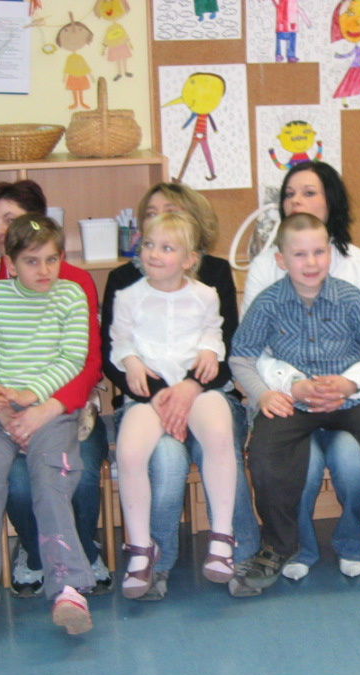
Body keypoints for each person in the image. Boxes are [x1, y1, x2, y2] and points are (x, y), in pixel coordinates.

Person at [231, 213, 360, 590]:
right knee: (264, 455)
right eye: (299, 254)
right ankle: (278, 546)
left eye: (318, 252)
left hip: (351, 398)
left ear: (329, 254)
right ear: (281, 259)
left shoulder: (350, 297)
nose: (310, 262)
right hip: (293, 400)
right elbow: (241, 357)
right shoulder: (268, 303)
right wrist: (264, 393)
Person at [0, 180, 111, 597]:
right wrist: (3, 411)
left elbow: (87, 363)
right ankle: (36, 553)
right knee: (17, 483)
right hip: (2, 414)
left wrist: (46, 409)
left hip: (67, 412)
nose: (0, 231)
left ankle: (80, 552)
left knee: (79, 472)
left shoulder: (72, 283)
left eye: (10, 219)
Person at [102, 182, 259, 600]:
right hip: (147, 398)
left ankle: (235, 548)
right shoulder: (124, 285)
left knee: (218, 439)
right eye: (150, 217)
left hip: (206, 392)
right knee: (161, 458)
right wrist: (159, 395)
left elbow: (222, 342)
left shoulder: (212, 280)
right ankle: (152, 560)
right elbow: (114, 350)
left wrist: (190, 386)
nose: (158, 231)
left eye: (170, 213)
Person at [242, 161, 360, 581]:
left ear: (330, 200)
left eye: (308, 192)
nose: (296, 201)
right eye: (289, 194)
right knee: (298, 464)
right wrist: (295, 385)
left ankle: (353, 540)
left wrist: (345, 385)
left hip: (348, 398)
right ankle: (297, 545)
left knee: (354, 460)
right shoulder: (266, 266)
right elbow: (253, 351)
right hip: (285, 398)